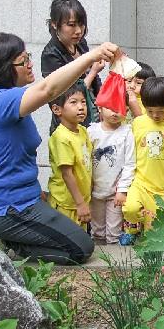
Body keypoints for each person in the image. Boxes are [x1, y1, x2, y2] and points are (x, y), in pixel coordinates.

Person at [0, 32, 118, 264]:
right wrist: (92, 56)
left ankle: (15, 239)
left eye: (27, 56)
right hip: (6, 209)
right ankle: (14, 245)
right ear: (4, 69)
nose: (30, 64)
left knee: (77, 240)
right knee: (81, 249)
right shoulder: (0, 101)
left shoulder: (10, 101)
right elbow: (48, 90)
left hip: (24, 201)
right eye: (23, 60)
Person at [123, 77, 164, 242]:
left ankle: (141, 232)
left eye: (161, 111)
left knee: (155, 236)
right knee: (130, 209)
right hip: (140, 182)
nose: (156, 115)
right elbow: (130, 153)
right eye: (150, 111)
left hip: (162, 189)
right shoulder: (138, 123)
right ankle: (133, 228)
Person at [41, 0, 105, 134]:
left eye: (81, 24)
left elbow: (95, 82)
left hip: (93, 119)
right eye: (71, 25)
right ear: (54, 24)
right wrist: (93, 71)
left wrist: (102, 106)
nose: (78, 31)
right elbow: (65, 97)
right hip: (68, 129)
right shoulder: (50, 54)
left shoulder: (81, 43)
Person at [88, 102, 135, 245]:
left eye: (119, 108)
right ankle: (99, 263)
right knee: (97, 231)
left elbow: (130, 163)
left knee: (114, 231)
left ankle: (115, 262)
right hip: (94, 189)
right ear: (100, 108)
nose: (115, 113)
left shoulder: (127, 132)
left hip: (115, 191)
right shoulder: (91, 131)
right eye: (110, 108)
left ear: (126, 110)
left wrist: (122, 190)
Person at [47, 85, 94, 228]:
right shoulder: (61, 137)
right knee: (69, 242)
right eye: (73, 102)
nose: (81, 107)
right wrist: (80, 203)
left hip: (80, 200)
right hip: (66, 203)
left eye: (83, 102)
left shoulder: (83, 131)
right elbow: (67, 173)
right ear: (57, 109)